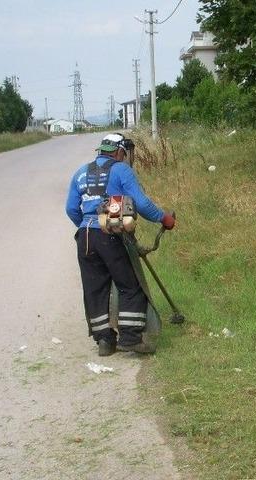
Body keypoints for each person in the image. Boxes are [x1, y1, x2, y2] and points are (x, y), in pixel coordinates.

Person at [65, 133, 176, 356]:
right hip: (110, 236)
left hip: (85, 237)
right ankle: (130, 338)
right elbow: (142, 203)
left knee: (94, 289)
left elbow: (71, 209)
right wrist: (163, 218)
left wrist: (89, 225)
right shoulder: (121, 170)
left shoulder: (81, 172)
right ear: (119, 152)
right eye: (125, 153)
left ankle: (105, 342)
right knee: (130, 285)